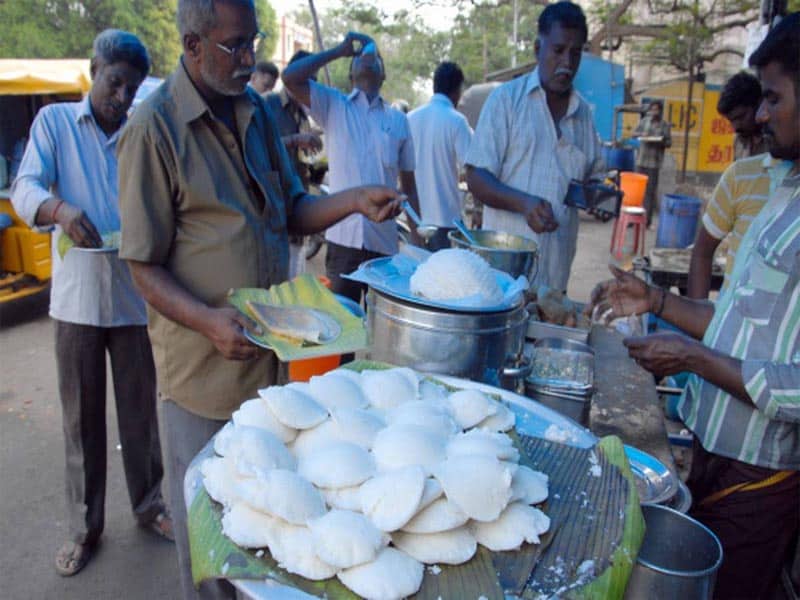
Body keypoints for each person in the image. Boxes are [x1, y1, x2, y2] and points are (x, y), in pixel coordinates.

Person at [116, 1, 400, 597]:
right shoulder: (155, 128)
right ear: (192, 46)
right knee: (210, 541)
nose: (250, 58)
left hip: (271, 367)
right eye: (235, 45)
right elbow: (142, 266)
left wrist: (351, 199)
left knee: (265, 530)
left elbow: (292, 212)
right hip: (203, 378)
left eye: (254, 41)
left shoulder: (259, 113)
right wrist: (209, 322)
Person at [588, 14, 800, 598]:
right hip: (716, 450)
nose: (760, 116)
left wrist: (692, 359)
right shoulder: (787, 188)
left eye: (774, 99)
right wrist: (656, 300)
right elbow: (741, 323)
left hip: (761, 472)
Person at [11, 29, 172, 578]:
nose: (122, 96)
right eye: (114, 82)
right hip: (77, 303)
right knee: (82, 422)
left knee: (140, 415)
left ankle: (150, 506)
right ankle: (85, 528)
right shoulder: (55, 123)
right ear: (93, 71)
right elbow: (24, 186)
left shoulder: (141, 133)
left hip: (131, 299)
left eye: (131, 87)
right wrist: (57, 210)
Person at [465, 1, 603, 292]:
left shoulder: (584, 116)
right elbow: (477, 178)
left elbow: (592, 182)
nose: (567, 62)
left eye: (575, 53)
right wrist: (524, 203)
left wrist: (598, 198)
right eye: (558, 50)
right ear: (537, 48)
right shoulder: (506, 101)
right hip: (500, 282)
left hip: (554, 280)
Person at [282, 32, 421, 303]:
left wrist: (418, 235)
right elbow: (290, 77)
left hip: (384, 246)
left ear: (383, 75)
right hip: (342, 241)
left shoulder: (399, 121)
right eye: (361, 57)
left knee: (380, 333)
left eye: (376, 58)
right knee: (341, 328)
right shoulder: (334, 106)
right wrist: (339, 50)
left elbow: (409, 187)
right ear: (351, 75)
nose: (368, 59)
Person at [265, 49, 323, 278]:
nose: (313, 87)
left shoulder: (302, 113)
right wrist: (295, 140)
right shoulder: (267, 105)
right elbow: (256, 148)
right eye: (311, 80)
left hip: (297, 203)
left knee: (295, 279)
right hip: (274, 210)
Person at [407, 61, 473, 251]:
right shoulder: (457, 121)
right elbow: (471, 169)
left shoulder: (411, 118)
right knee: (448, 278)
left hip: (416, 221)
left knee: (423, 276)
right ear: (457, 90)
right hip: (447, 221)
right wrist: (476, 209)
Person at [632, 100, 672, 228]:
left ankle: (646, 221)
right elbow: (634, 134)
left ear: (661, 111)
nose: (654, 112)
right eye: (652, 109)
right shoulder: (645, 122)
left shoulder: (664, 125)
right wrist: (642, 134)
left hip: (654, 163)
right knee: (637, 192)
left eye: (657, 110)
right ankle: (634, 219)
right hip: (641, 161)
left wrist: (660, 141)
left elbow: (669, 143)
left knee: (649, 192)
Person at [718, 71, 768, 160]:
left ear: (759, 104)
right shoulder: (739, 143)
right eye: (731, 120)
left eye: (740, 117)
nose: (735, 127)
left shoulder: (778, 141)